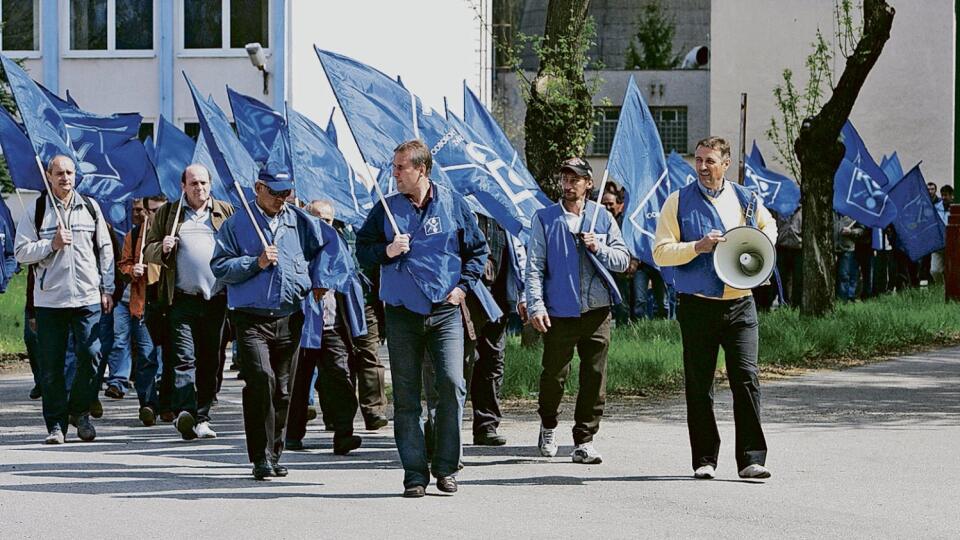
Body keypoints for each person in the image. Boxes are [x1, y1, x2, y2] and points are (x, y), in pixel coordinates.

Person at [356, 140, 488, 498]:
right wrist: (387, 251)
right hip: (402, 313)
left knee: (450, 384)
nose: (394, 173)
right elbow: (362, 250)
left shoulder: (452, 203)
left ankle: (445, 467)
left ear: (422, 170)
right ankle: (414, 473)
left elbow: (478, 249)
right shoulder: (386, 208)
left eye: (401, 167)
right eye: (393, 167)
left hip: (445, 311)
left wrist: (463, 287)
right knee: (407, 397)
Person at [653, 136, 776, 480]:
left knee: (747, 380)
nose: (703, 167)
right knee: (699, 385)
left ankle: (752, 459)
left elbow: (769, 229)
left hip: (740, 305)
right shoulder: (677, 202)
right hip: (697, 306)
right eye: (699, 160)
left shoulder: (746, 199)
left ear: (726, 164)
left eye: (710, 161)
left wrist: (761, 256)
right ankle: (704, 459)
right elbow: (661, 252)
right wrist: (697, 246)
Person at [211, 171, 342, 480]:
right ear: (258, 188)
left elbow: (329, 245)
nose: (282, 198)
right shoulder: (237, 224)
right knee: (261, 381)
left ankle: (274, 453)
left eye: (286, 192)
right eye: (275, 192)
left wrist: (321, 280)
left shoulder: (299, 219)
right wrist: (254, 263)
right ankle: (259, 456)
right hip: (251, 316)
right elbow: (219, 266)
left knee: (283, 390)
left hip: (290, 315)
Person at [526, 157, 630, 465]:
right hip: (559, 311)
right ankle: (548, 423)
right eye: (565, 179)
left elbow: (624, 260)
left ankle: (585, 439)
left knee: (594, 376)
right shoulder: (545, 218)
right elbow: (534, 266)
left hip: (597, 310)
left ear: (589, 183)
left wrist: (599, 247)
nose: (569, 185)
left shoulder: (602, 218)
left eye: (575, 179)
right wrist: (536, 304)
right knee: (554, 375)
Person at [14, 155, 115, 444]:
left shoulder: (91, 208)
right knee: (51, 366)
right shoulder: (37, 210)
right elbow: (21, 252)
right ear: (49, 175)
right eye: (59, 173)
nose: (65, 178)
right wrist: (51, 244)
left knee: (93, 354)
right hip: (50, 300)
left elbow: (105, 250)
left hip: (86, 297)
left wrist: (106, 288)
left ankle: (79, 411)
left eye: (70, 172)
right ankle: (56, 425)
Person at [143, 164, 234, 439]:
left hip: (216, 300)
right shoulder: (169, 214)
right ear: (183, 186)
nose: (200, 188)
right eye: (194, 183)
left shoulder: (224, 213)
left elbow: (240, 246)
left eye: (204, 183)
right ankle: (185, 412)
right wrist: (163, 248)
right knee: (184, 358)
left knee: (210, 361)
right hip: (181, 299)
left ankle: (202, 416)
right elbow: (148, 249)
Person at [286, 200, 367, 455]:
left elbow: (350, 280)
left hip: (332, 325)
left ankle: (344, 434)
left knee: (341, 379)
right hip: (301, 325)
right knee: (297, 383)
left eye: (329, 220)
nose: (324, 225)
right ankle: (291, 434)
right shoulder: (296, 245)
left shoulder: (339, 248)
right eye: (318, 218)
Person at [118, 196, 166, 425]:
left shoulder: (174, 233)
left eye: (160, 210)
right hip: (143, 304)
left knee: (175, 357)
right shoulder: (135, 235)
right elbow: (123, 263)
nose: (156, 215)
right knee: (146, 357)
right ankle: (148, 404)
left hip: (170, 304)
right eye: (152, 210)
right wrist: (131, 269)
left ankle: (170, 404)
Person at [835, 212, 864, 301]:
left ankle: (843, 300)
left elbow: (861, 229)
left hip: (847, 248)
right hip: (831, 248)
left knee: (844, 275)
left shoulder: (852, 212)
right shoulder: (831, 211)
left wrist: (851, 232)